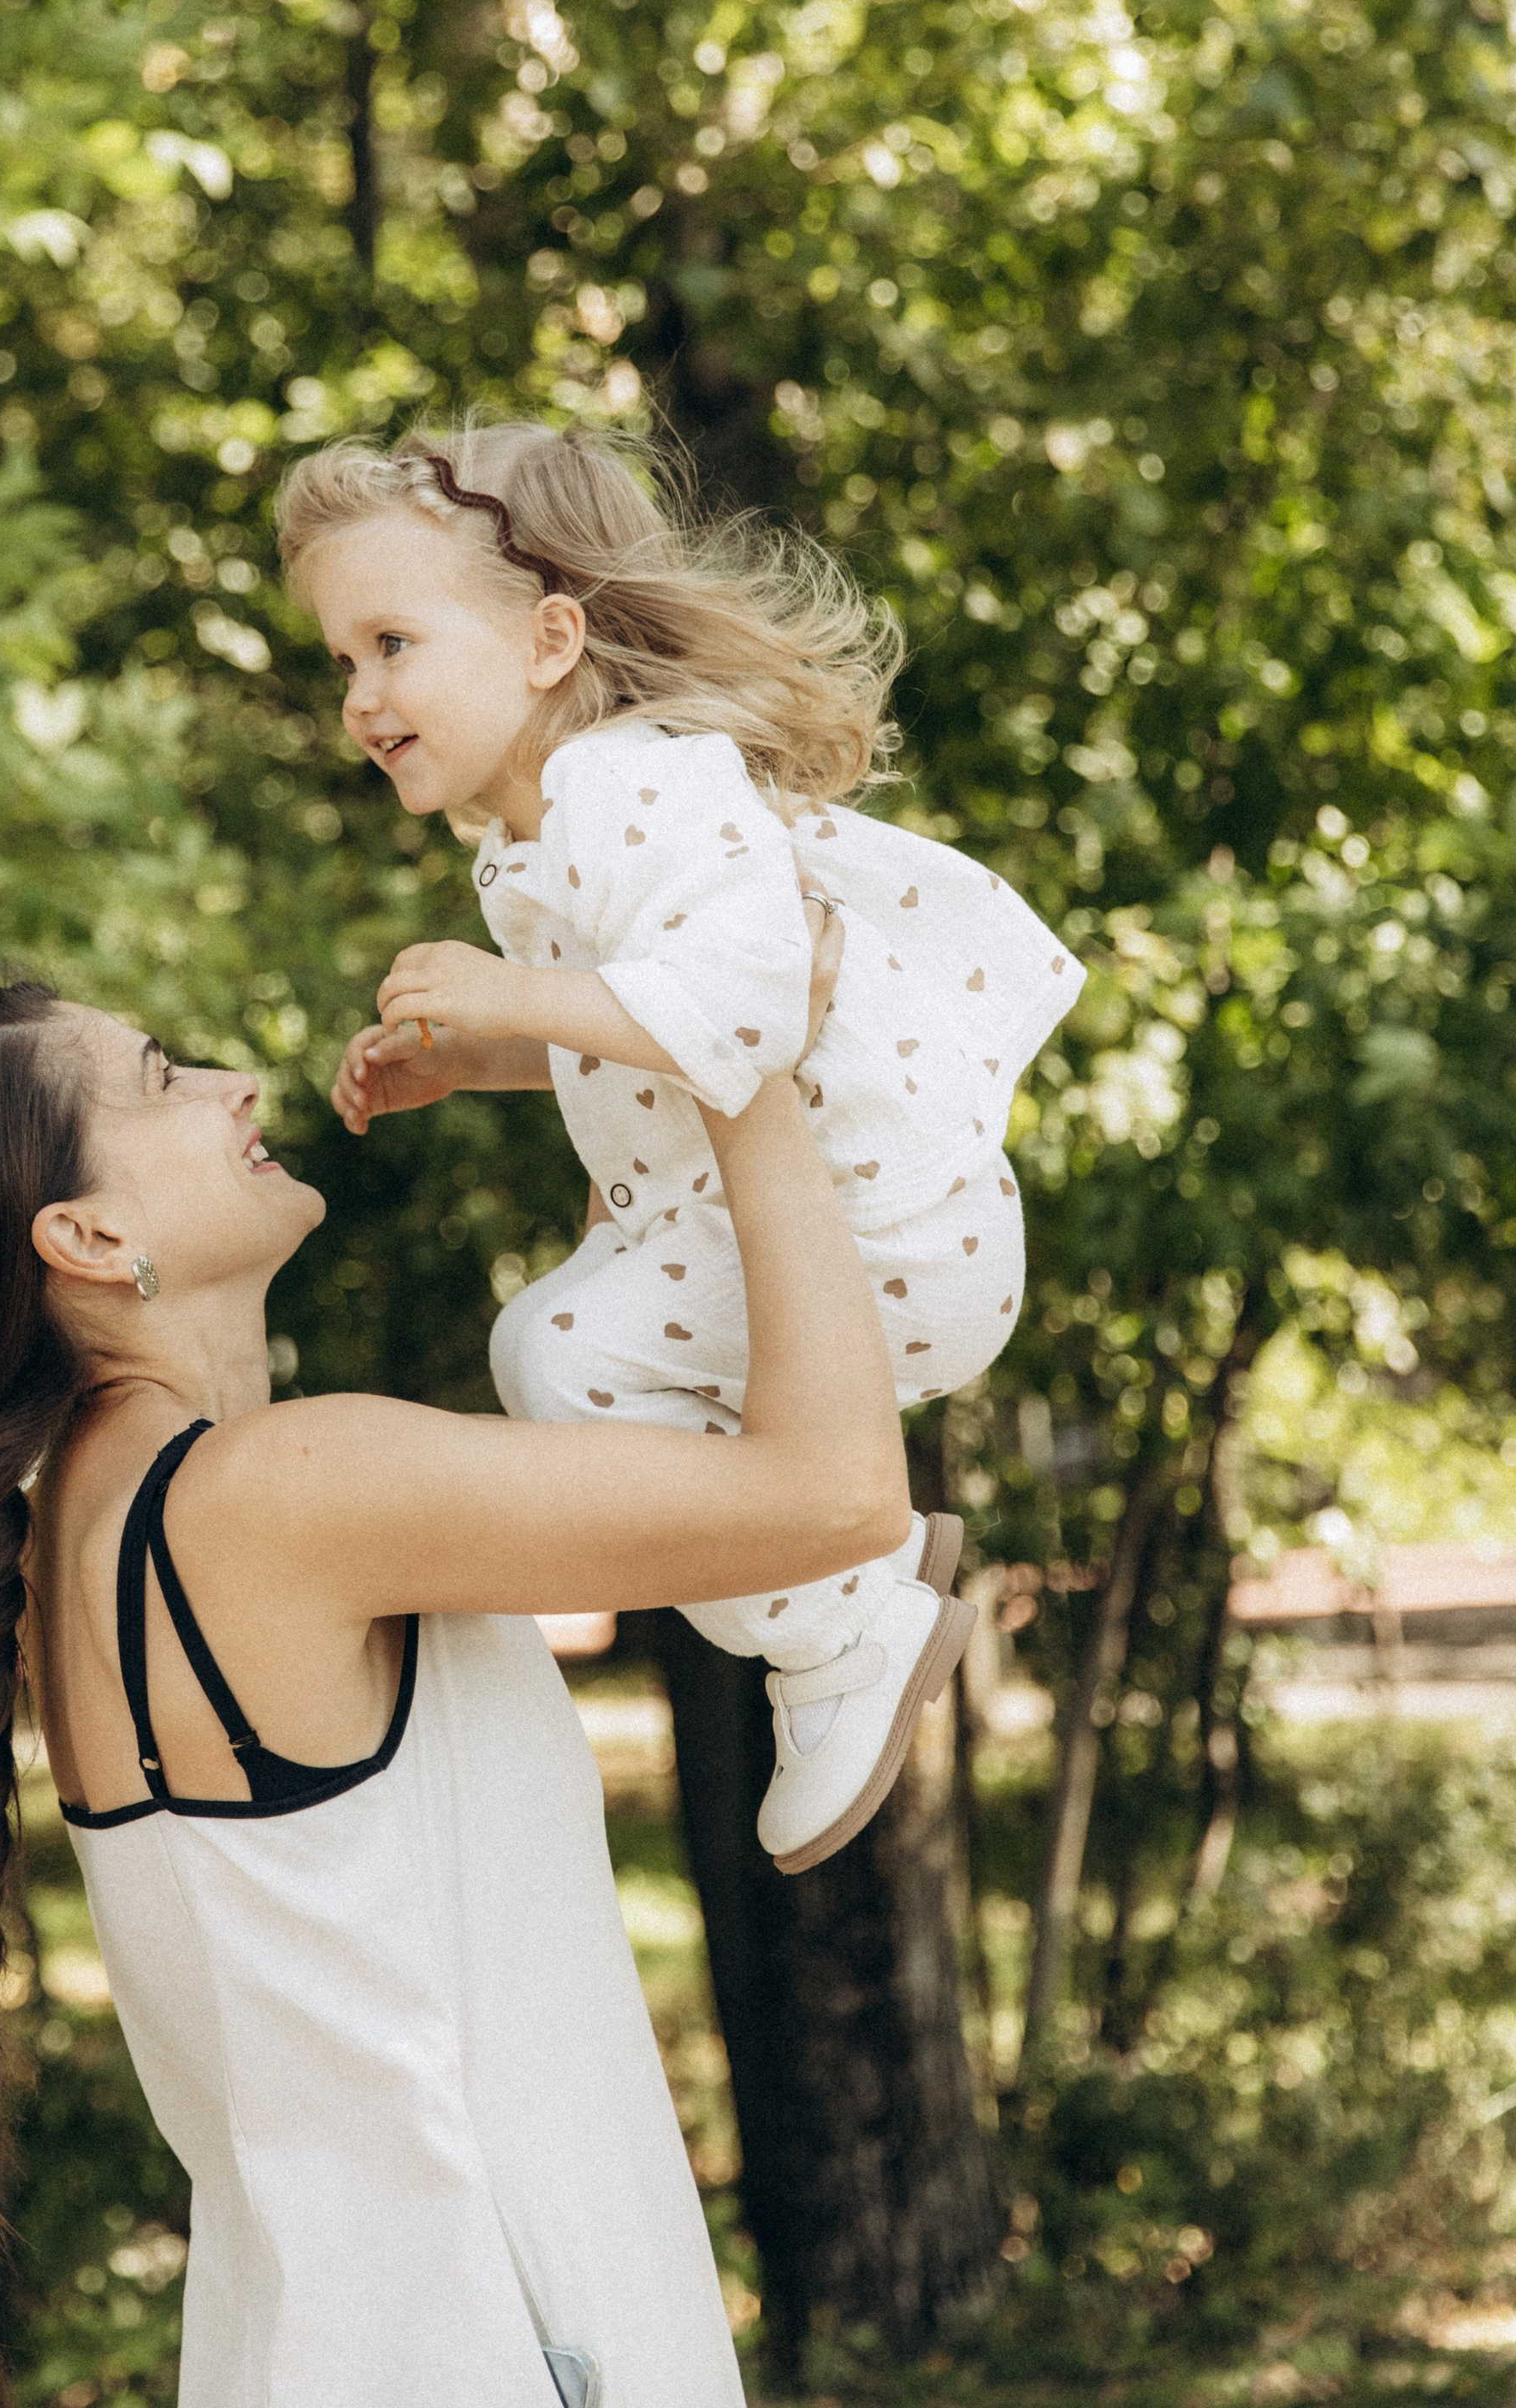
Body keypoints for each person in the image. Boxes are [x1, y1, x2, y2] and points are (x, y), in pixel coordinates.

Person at [0, 975, 907, 2408]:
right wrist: (736, 1049)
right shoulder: (268, 1498)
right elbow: (837, 1496)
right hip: (508, 2355)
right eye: (161, 1077)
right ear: (87, 1238)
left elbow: (639, 1381)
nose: (233, 1085)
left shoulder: (110, 1523)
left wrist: (582, 1051)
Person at [277, 418, 1083, 1873]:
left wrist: (512, 993)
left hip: (881, 1230)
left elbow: (750, 1006)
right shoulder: (540, 823)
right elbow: (648, 1024)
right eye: (345, 660)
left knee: (561, 1358)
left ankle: (846, 1617)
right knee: (559, 1353)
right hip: (821, 1225)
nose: (362, 696)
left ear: (549, 639)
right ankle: (847, 1582)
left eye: (392, 642)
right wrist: (487, 1061)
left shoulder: (633, 786)